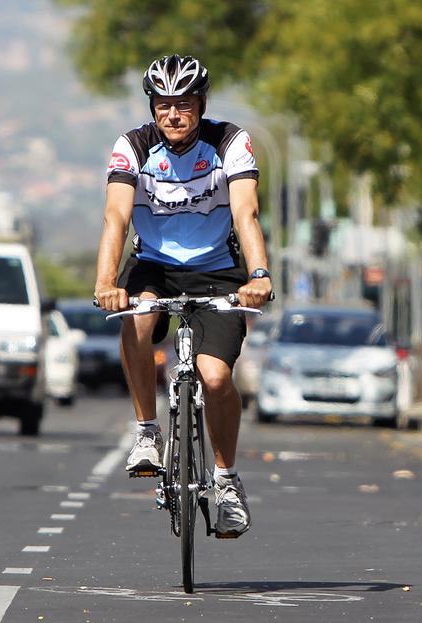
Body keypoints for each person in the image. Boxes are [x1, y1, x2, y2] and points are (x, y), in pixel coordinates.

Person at [94, 54, 273, 539]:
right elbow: (116, 217)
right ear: (152, 108)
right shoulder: (132, 146)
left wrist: (257, 275)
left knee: (215, 379)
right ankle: (147, 433)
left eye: (185, 105)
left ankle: (227, 483)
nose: (173, 115)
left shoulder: (230, 142)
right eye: (163, 105)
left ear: (202, 105)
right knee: (135, 321)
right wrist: (107, 281)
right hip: (153, 266)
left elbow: (246, 212)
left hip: (217, 269)